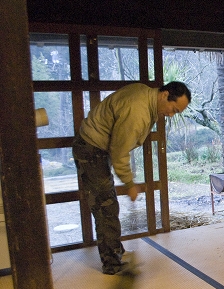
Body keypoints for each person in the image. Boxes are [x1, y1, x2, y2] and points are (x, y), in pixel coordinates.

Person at [72, 81, 191, 275]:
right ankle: (112, 264)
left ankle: (116, 251)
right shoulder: (138, 111)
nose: (170, 115)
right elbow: (119, 151)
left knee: (108, 204)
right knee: (105, 206)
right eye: (173, 109)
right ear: (164, 95)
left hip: (98, 147)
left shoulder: (145, 95)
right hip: (91, 148)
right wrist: (129, 183)